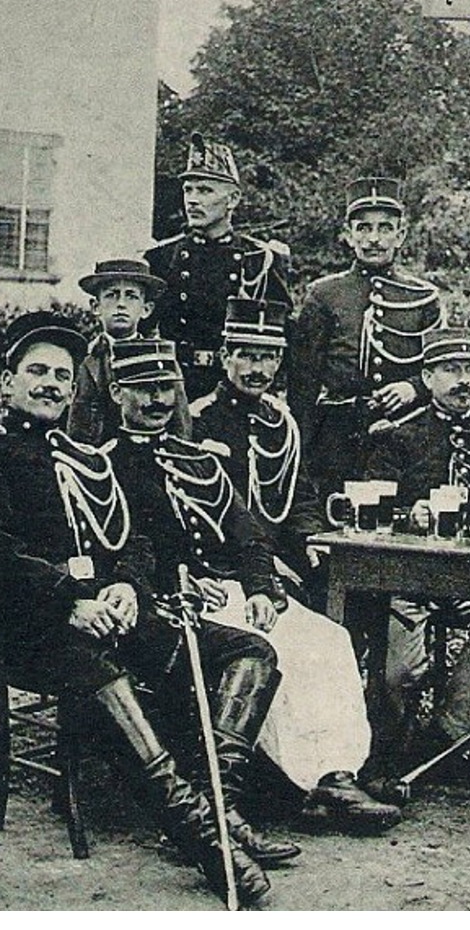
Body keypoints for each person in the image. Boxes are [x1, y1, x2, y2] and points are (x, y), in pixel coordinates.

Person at [0, 312, 275, 905]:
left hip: (109, 613)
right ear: (8, 383)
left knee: (249, 650)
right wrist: (70, 603)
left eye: (62, 376)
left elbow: (129, 542)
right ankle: (205, 840)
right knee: (103, 672)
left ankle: (219, 802)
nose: (50, 384)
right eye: (37, 371)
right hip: (35, 629)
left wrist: (126, 586)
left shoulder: (85, 455)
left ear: (74, 389)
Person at [190, 298, 402, 834]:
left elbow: (298, 501)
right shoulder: (195, 422)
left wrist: (307, 543)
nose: (256, 368)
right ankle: (299, 783)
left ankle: (336, 774)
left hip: (269, 577)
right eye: (244, 355)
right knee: (274, 646)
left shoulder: (281, 425)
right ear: (223, 357)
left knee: (328, 640)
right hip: (214, 578)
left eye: (266, 357)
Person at [100, 337, 304, 871]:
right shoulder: (100, 466)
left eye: (166, 387)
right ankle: (217, 815)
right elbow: (109, 550)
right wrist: (158, 593)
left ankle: (224, 803)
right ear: (117, 391)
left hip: (201, 604)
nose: (157, 400)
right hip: (138, 613)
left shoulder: (199, 462)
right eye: (143, 389)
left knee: (257, 650)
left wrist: (260, 586)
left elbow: (249, 536)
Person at [363, 326, 470, 779]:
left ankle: (445, 739)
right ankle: (389, 747)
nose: (463, 381)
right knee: (399, 673)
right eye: (451, 370)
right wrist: (405, 515)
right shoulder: (399, 435)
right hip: (411, 578)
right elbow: (374, 507)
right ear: (427, 376)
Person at [291, 176, 442, 493]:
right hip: (336, 436)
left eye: (385, 228)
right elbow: (304, 379)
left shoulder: (424, 297)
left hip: (402, 434)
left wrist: (413, 387)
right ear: (347, 234)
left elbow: (440, 368)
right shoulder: (324, 295)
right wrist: (301, 450)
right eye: (363, 228)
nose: (374, 238)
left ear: (400, 235)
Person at [146, 134, 293, 399]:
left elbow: (283, 338)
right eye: (188, 190)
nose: (192, 200)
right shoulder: (161, 258)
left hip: (236, 388)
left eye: (205, 190)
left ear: (233, 199)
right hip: (175, 387)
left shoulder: (259, 259)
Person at [67, 257, 190, 444]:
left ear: (146, 309)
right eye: (112, 295)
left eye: (131, 296)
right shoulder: (81, 360)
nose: (121, 304)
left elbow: (181, 427)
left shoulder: (163, 361)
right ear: (96, 306)